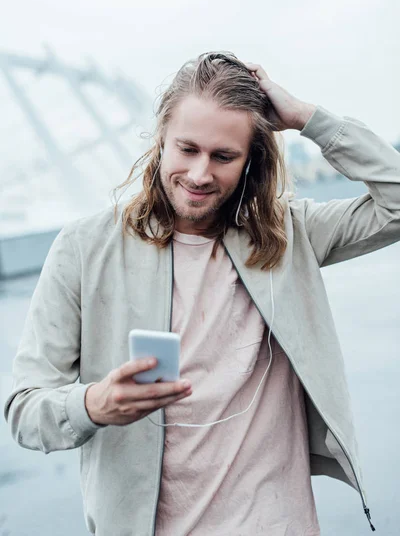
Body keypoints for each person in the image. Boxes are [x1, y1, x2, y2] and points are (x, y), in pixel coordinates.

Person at [4, 51, 399, 535]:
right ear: (160, 142)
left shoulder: (290, 235)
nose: (199, 174)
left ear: (251, 159)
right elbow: (24, 410)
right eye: (187, 149)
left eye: (223, 156)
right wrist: (92, 404)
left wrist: (305, 119)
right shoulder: (84, 249)